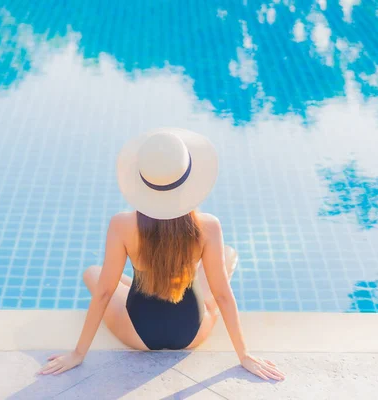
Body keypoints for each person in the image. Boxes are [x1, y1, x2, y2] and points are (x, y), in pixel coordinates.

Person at [38, 128, 285, 381]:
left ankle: (135, 283)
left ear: (141, 180)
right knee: (227, 257)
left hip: (139, 333)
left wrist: (78, 353)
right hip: (193, 331)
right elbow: (222, 294)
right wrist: (244, 355)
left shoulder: (121, 224)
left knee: (93, 274)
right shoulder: (209, 226)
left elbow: (103, 292)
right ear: (189, 179)